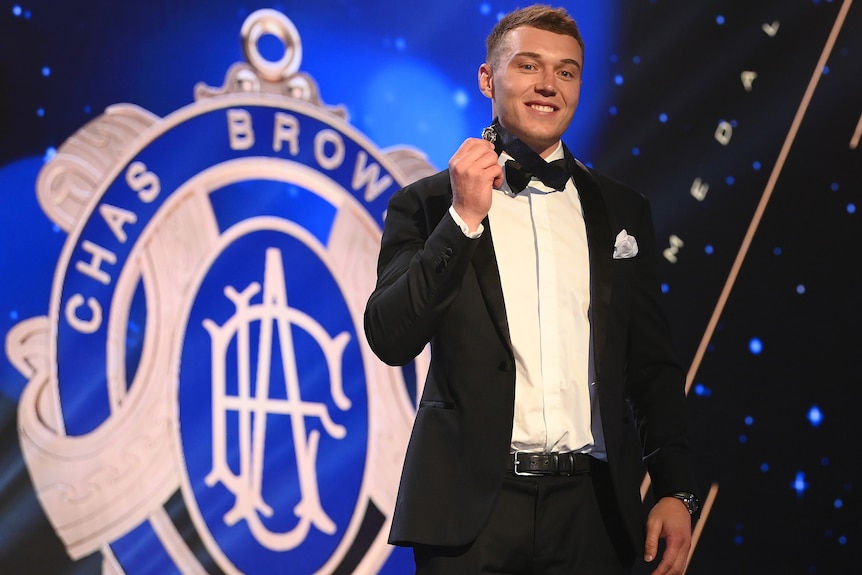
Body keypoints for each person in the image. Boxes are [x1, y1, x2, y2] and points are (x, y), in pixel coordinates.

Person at [364, 4, 698, 574]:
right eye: (529, 66)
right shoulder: (425, 204)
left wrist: (677, 488)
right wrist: (464, 218)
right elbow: (391, 336)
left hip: (593, 511)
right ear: (488, 79)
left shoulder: (621, 209)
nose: (549, 85)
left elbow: (650, 366)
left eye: (566, 72)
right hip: (472, 512)